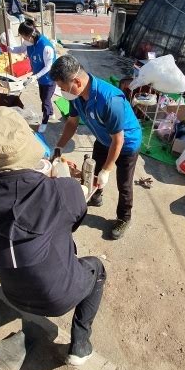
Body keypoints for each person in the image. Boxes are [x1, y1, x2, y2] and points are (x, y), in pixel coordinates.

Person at [0, 107, 106, 366]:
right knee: (97, 268)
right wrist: (67, 183)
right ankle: (80, 345)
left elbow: (11, 204)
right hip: (58, 297)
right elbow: (74, 221)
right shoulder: (62, 192)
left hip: (13, 293)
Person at [50, 55, 142, 240]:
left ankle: (124, 217)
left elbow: (118, 140)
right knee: (92, 171)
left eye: (62, 87)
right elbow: (72, 122)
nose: (61, 92)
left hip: (127, 143)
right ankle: (97, 194)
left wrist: (108, 170)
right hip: (103, 138)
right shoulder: (75, 96)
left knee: (123, 184)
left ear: (76, 81)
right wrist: (59, 146)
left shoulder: (109, 99)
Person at [8, 18, 57, 134]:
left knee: (45, 100)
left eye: (23, 37)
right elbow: (21, 49)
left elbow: (49, 66)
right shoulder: (28, 42)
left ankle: (44, 122)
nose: (23, 39)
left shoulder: (46, 47)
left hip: (49, 78)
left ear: (30, 35)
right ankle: (50, 112)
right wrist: (9, 49)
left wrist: (35, 76)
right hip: (39, 78)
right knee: (44, 98)